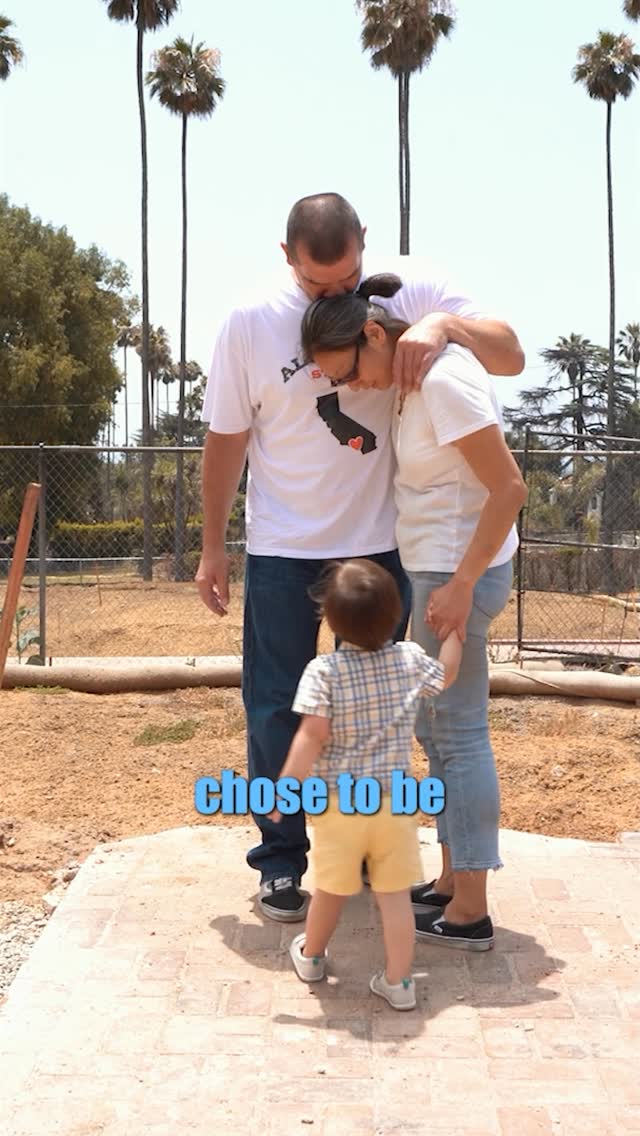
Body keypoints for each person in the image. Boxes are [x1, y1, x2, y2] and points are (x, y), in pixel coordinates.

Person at [197, 192, 524, 922]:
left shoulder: (411, 290)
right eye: (319, 287)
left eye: (348, 280)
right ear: (288, 260)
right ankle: (281, 863)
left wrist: (443, 324)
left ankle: (382, 853)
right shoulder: (249, 322)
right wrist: (213, 544)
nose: (337, 297)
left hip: (386, 547)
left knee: (386, 715)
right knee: (277, 707)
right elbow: (225, 440)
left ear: (365, 250)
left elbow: (509, 353)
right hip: (285, 549)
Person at [299, 274, 528, 950]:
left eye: (350, 372)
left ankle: (472, 909)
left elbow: (509, 487)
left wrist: (458, 586)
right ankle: (454, 882)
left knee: (458, 735)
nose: (354, 389)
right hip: (438, 568)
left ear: (374, 334)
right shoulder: (408, 375)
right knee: (436, 729)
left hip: (458, 573)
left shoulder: (442, 379)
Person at [267, 559, 462, 1009]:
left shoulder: (323, 672)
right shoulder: (410, 659)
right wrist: (455, 634)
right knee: (393, 899)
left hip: (340, 807)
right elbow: (447, 674)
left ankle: (313, 956)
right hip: (396, 804)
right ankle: (399, 984)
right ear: (396, 616)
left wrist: (283, 791)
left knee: (331, 891)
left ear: (329, 620)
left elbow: (310, 737)